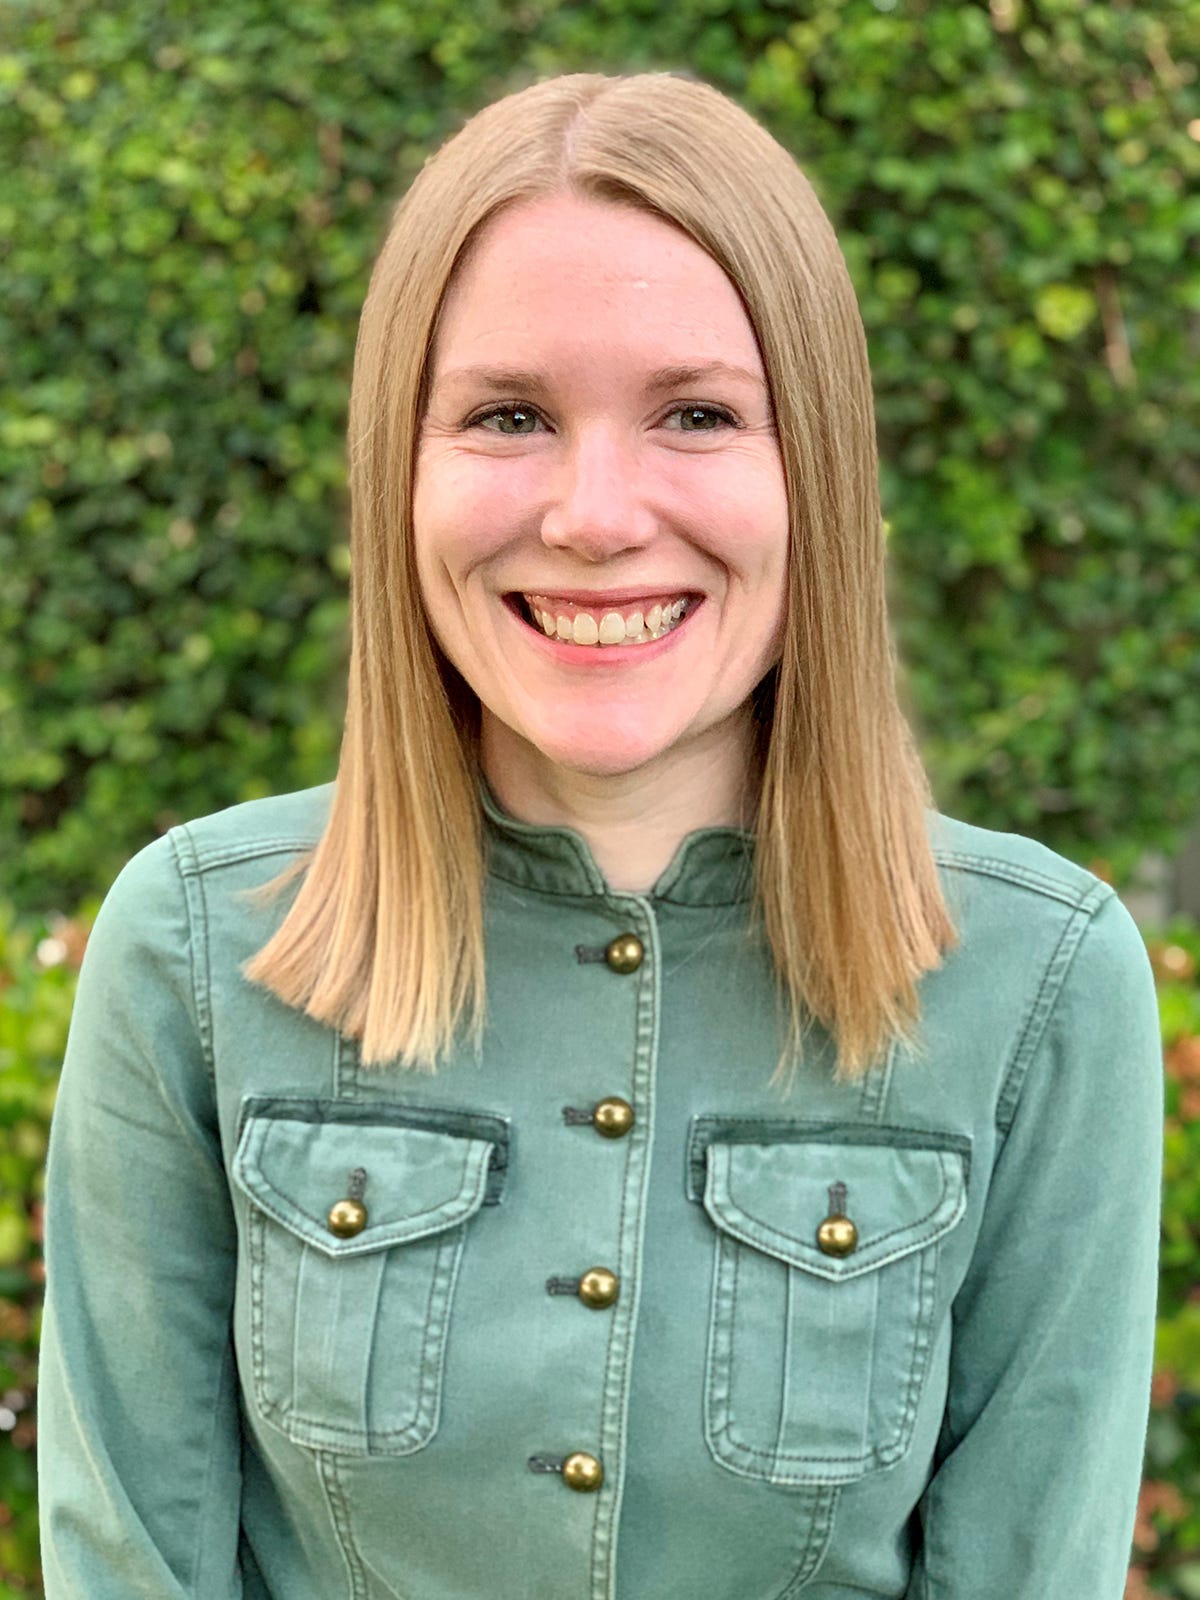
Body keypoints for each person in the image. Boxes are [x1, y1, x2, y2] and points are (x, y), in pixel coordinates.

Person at [39, 70, 1163, 1600]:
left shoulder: (1042, 983)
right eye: (508, 415)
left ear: (815, 474)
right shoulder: (193, 950)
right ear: (399, 475)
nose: (593, 512)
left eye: (696, 414)